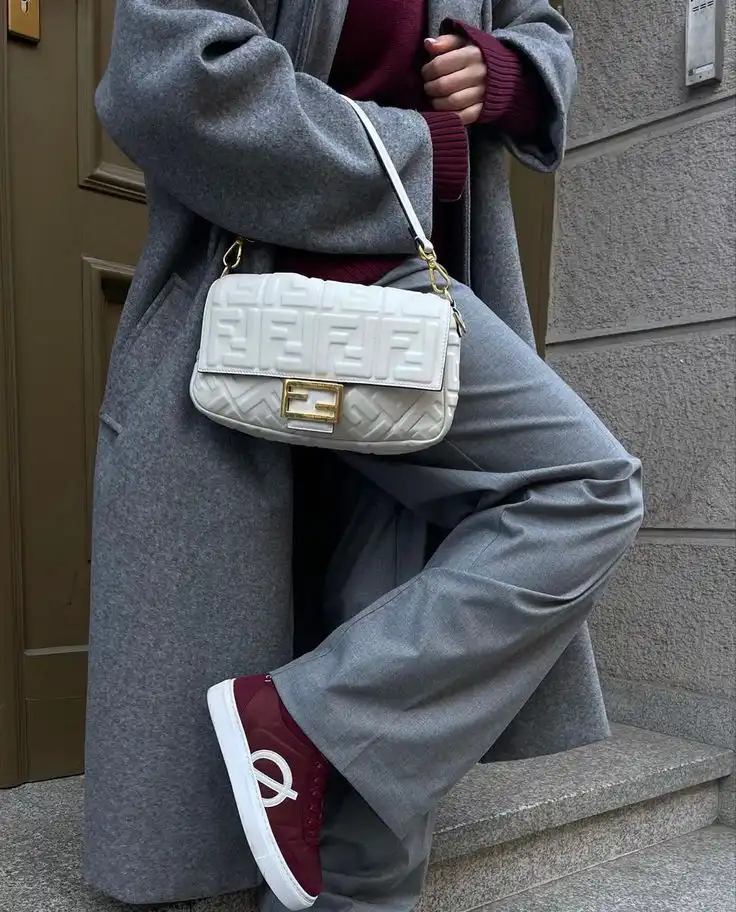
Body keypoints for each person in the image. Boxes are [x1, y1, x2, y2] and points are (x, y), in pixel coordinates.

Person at [83, 2, 644, 911]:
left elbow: (544, 31)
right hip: (262, 287)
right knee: (565, 493)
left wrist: (507, 73)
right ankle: (312, 727)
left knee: (526, 516)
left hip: (410, 303)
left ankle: (309, 723)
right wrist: (421, 150)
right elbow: (176, 76)